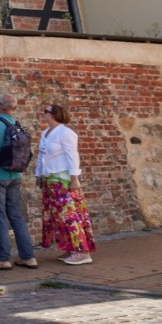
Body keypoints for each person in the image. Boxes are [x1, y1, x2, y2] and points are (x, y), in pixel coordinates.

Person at [0, 93, 38, 271]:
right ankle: (28, 257)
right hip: (14, 176)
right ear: (14, 108)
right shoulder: (17, 125)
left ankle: (2, 259)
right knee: (17, 216)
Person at [37, 102, 96, 264]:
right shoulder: (45, 133)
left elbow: (72, 157)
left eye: (46, 111)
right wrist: (38, 175)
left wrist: (74, 179)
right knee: (58, 218)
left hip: (63, 181)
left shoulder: (66, 133)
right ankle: (70, 249)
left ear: (55, 115)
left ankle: (83, 252)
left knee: (70, 216)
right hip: (49, 180)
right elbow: (41, 156)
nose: (44, 113)